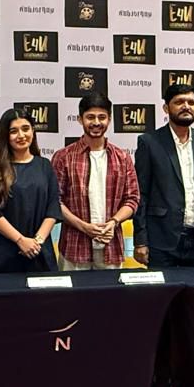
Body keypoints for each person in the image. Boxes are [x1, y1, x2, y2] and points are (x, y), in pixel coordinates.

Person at [133, 83, 194, 267]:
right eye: (179, 102)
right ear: (166, 108)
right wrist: (141, 240)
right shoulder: (149, 142)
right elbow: (141, 194)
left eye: (191, 102)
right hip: (162, 240)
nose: (186, 106)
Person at [51, 92, 139, 270]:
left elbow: (132, 199)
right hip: (74, 247)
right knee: (72, 290)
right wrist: (84, 227)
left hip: (111, 246)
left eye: (102, 117)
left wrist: (113, 222)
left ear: (109, 119)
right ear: (80, 119)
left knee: (110, 290)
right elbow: (55, 201)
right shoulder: (63, 157)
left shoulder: (122, 158)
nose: (96, 122)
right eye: (90, 117)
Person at [0, 109, 61, 273]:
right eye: (13, 131)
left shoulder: (45, 166)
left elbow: (53, 208)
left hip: (38, 251)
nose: (21, 135)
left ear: (33, 131)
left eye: (25, 128)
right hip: (2, 254)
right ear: (5, 136)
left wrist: (36, 242)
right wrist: (20, 240)